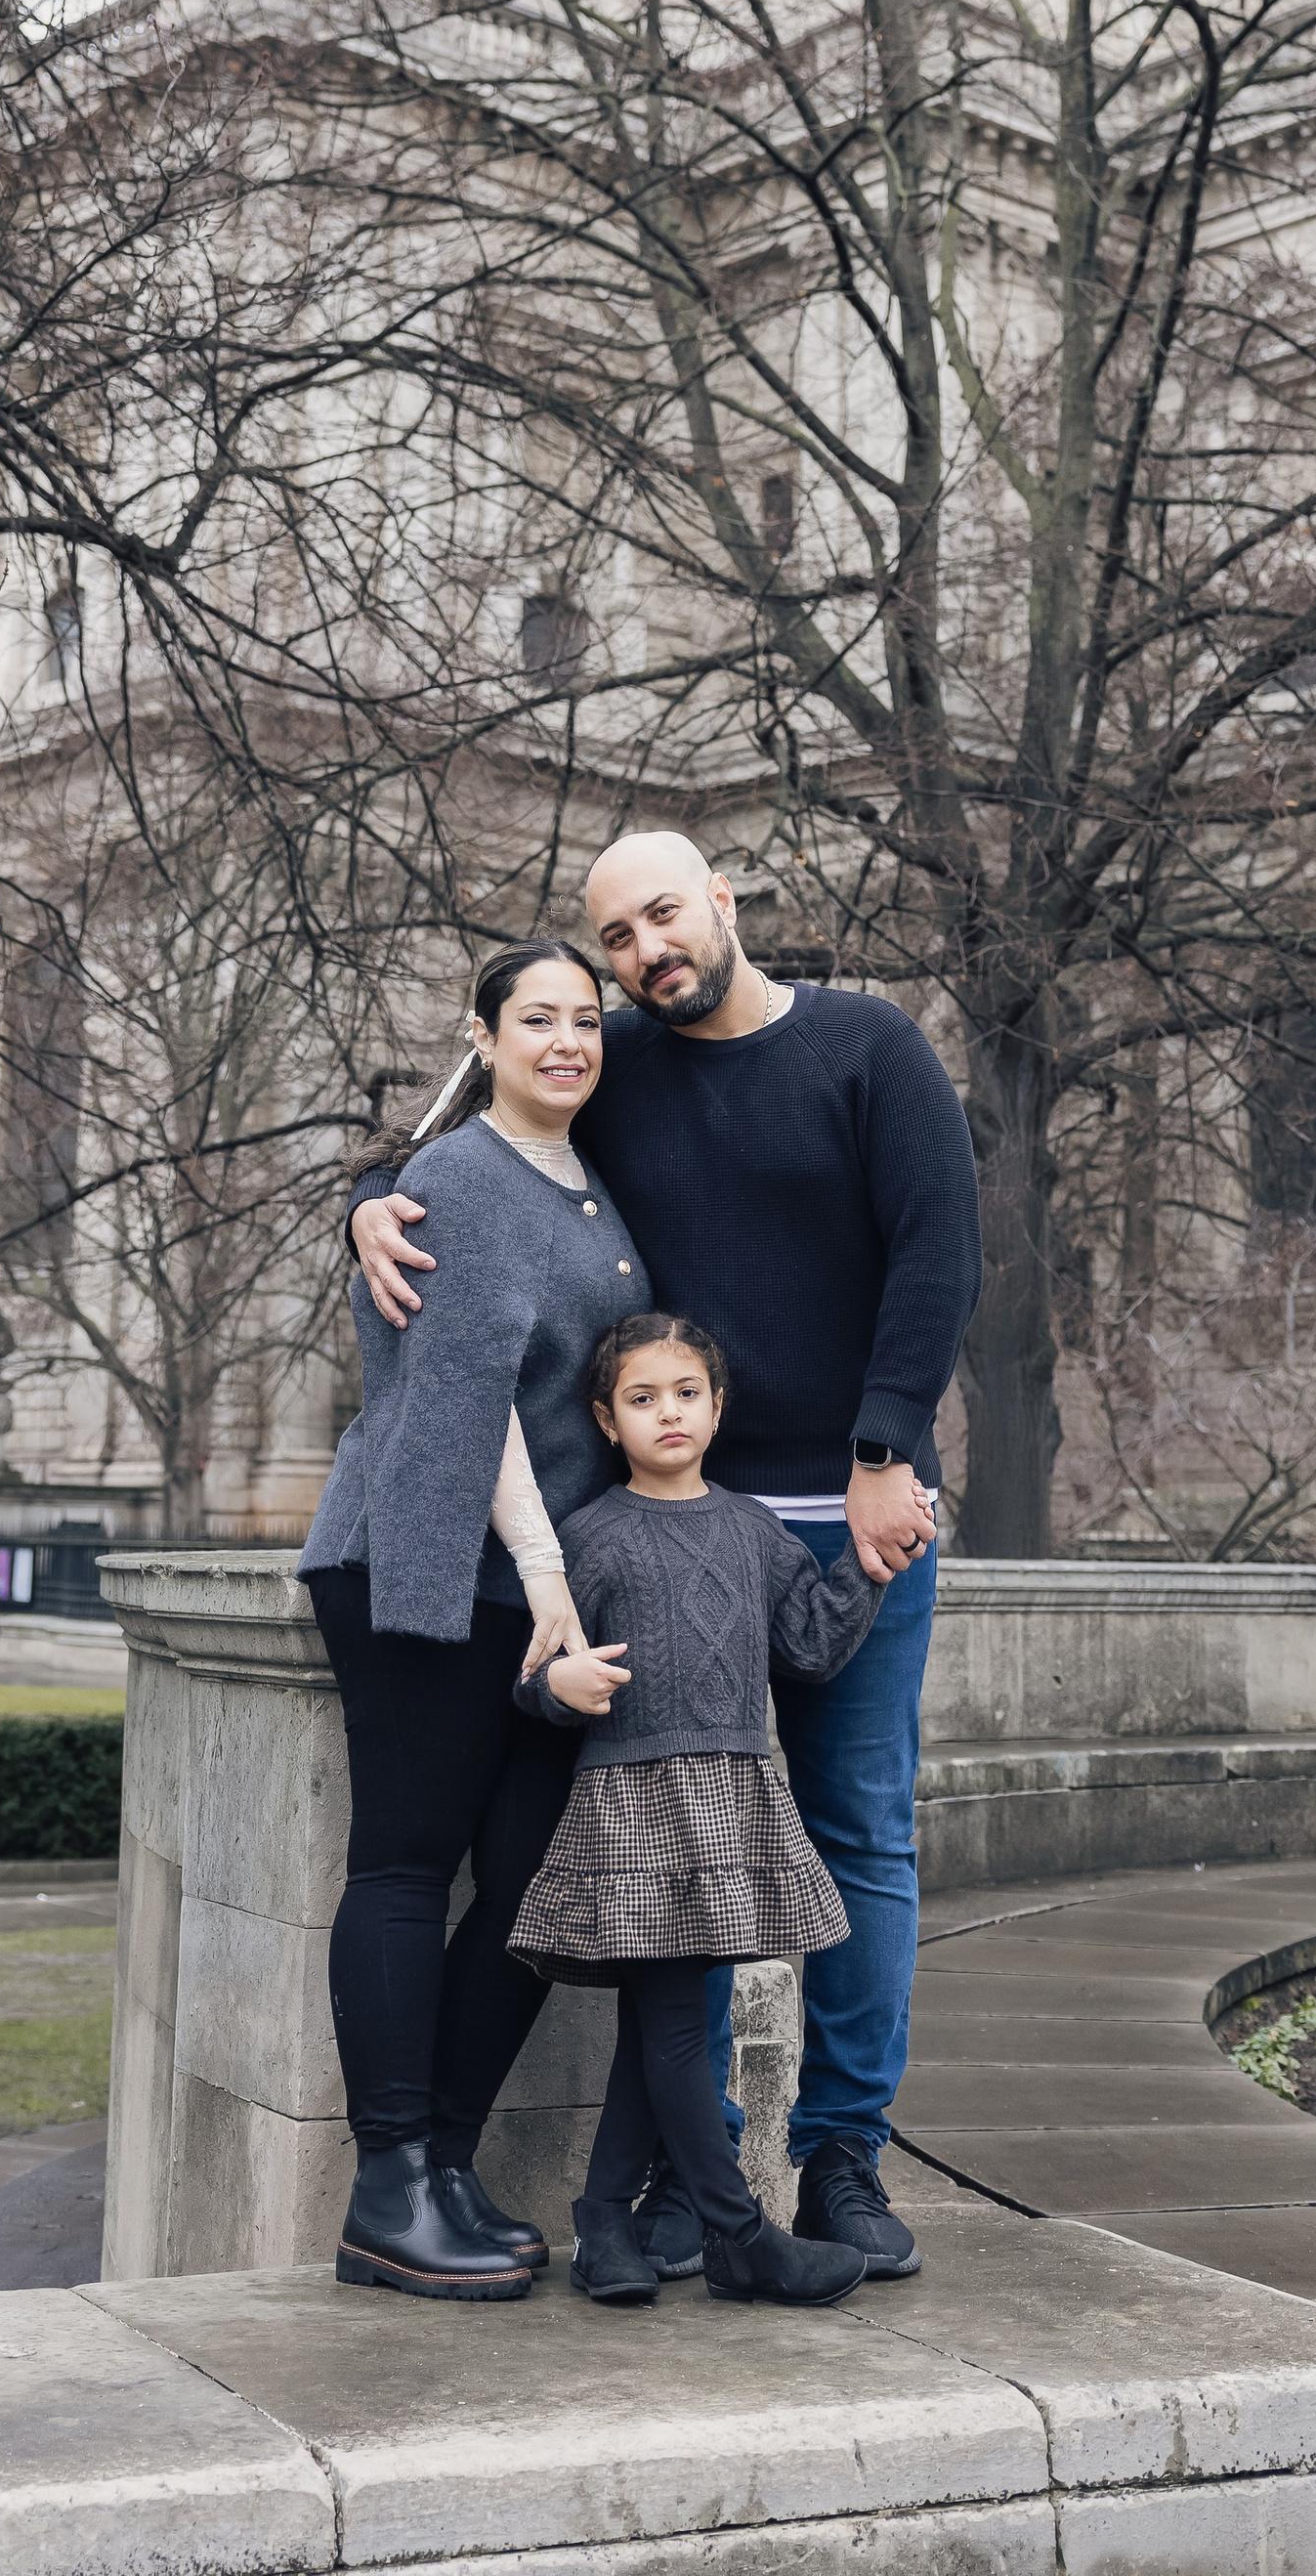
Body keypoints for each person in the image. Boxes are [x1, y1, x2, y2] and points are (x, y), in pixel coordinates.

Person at [352, 829, 979, 2283]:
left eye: (663, 916)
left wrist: (886, 1453)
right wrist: (365, 1203)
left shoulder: (870, 1047)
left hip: (851, 1510)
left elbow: (940, 1248)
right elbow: (466, 1141)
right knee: (672, 1852)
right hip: (663, 1527)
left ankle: (840, 2164)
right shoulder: (614, 1056)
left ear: (725, 902)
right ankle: (662, 2185)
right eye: (619, 937)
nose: (645, 953)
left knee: (861, 1837)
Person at [301, 936, 657, 2301]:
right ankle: (388, 2186)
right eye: (540, 1019)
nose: (568, 1040)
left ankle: (443, 2162)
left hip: (525, 1574)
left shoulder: (587, 1190)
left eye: (587, 1020)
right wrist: (553, 1581)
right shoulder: (456, 1175)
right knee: (404, 1861)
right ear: (485, 1035)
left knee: (525, 1884)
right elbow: (470, 1403)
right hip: (425, 1558)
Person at [513, 1316, 880, 2311]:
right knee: (675, 2027)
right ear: (605, 1419)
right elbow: (534, 1675)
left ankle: (601, 2223)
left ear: (717, 1408)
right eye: (641, 1398)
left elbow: (807, 1647)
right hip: (634, 1808)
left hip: (730, 1803)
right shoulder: (588, 1536)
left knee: (657, 2027)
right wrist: (558, 1686)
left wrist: (868, 1568)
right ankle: (739, 2236)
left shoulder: (752, 1529)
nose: (666, 1412)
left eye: (685, 1392)